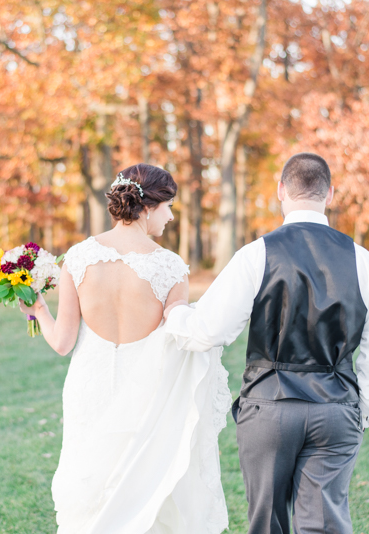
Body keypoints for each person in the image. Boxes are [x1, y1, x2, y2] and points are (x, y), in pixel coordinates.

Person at [164, 153, 369, 534]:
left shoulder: (256, 255)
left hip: (269, 407)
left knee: (268, 524)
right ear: (330, 193)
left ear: (281, 191)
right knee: (325, 526)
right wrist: (362, 411)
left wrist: (175, 314)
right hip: (336, 407)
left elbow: (209, 329)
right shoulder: (365, 262)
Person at [20, 163, 230, 534]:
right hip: (146, 392)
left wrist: (37, 310)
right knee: (145, 491)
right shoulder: (170, 267)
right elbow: (182, 331)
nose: (170, 215)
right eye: (168, 206)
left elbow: (63, 343)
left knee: (91, 489)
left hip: (89, 387)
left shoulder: (78, 257)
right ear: (148, 207)